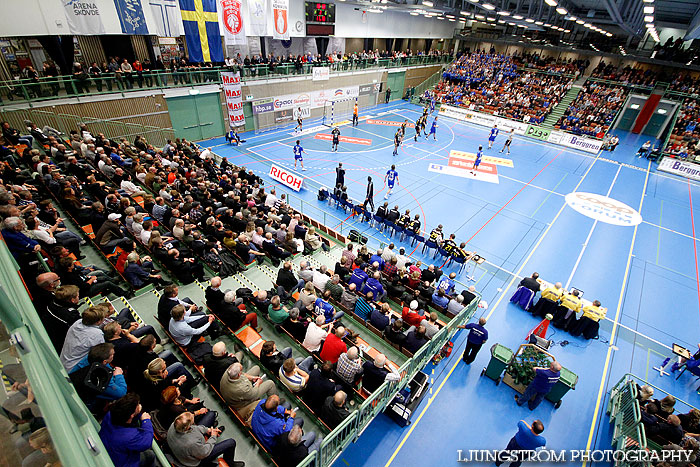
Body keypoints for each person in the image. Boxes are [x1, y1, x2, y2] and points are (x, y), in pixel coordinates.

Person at [167, 412, 244, 467]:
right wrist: (213, 436)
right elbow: (204, 453)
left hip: (189, 447)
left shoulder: (175, 424)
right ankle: (230, 463)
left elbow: (195, 428)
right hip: (196, 461)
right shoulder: (191, 443)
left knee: (211, 414)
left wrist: (208, 430)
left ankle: (213, 430)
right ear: (187, 427)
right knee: (231, 443)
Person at [99, 394, 156, 467]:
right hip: (121, 462)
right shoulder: (130, 436)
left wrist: (137, 413)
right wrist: (146, 421)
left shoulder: (110, 414)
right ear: (131, 415)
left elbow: (128, 419)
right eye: (138, 405)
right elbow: (147, 442)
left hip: (109, 449)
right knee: (150, 455)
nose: (140, 405)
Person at [60, 307, 105, 372]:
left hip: (63, 361)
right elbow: (100, 354)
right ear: (98, 321)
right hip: (72, 369)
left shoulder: (78, 322)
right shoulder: (97, 334)